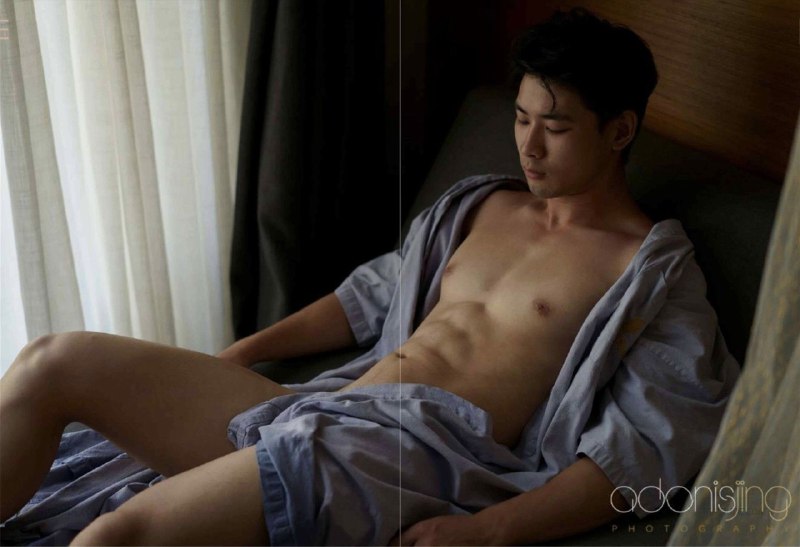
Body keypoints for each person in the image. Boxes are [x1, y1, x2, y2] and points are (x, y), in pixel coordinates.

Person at [0, 8, 739, 546]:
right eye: (520, 118)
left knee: (115, 535)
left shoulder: (649, 273)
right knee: (52, 361)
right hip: (322, 406)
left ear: (620, 130)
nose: (529, 145)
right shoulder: (480, 206)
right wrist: (244, 352)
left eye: (556, 126)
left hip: (405, 457)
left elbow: (651, 444)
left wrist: (490, 530)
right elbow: (373, 295)